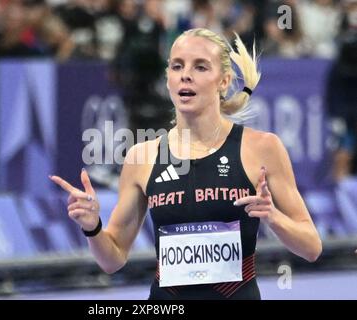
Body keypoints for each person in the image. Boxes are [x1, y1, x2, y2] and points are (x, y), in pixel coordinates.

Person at [50, 28, 322, 300]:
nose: (186, 75)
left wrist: (273, 217)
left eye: (201, 67)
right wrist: (92, 226)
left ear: (224, 81)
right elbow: (112, 259)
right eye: (177, 66)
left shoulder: (262, 148)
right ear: (168, 78)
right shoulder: (141, 157)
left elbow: (311, 247)